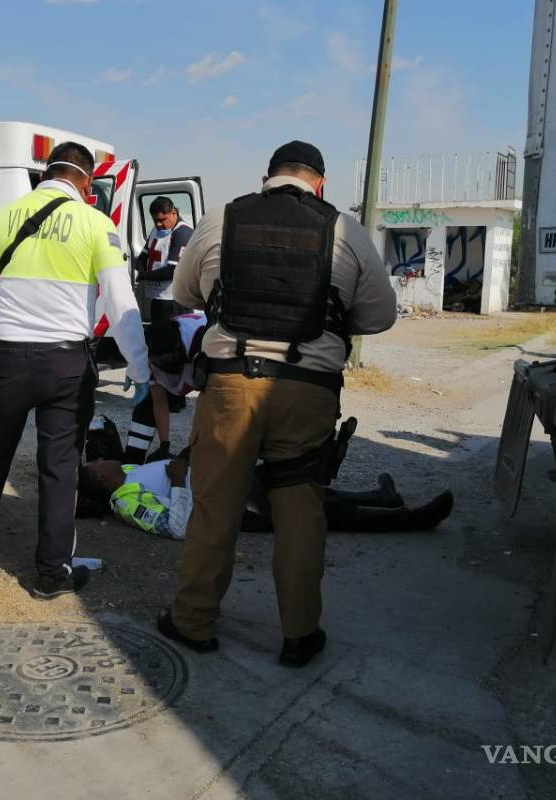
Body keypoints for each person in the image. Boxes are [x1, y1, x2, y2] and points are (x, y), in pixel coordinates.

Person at [159, 141, 398, 667]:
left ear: (266, 177)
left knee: (215, 508)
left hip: (230, 386)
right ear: (320, 182)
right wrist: (331, 327)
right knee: (299, 512)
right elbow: (381, 315)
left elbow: (184, 295)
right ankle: (299, 635)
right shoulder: (344, 227)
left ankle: (193, 622)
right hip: (308, 390)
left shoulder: (222, 217)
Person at [0, 142, 151, 600]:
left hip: (6, 354)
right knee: (60, 465)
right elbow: (121, 304)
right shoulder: (96, 223)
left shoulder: (1, 216)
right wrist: (140, 371)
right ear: (86, 180)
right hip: (65, 361)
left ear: (47, 173)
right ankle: (51, 572)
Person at [78, 456, 453, 539]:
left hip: (227, 481)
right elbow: (176, 527)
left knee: (297, 485)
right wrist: (180, 479)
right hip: (227, 507)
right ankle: (411, 519)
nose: (101, 456)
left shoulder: (128, 474)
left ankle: (380, 497)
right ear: (98, 475)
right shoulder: (125, 501)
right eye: (95, 460)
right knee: (313, 514)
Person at [124, 310, 206, 463]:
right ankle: (132, 461)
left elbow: (207, 404)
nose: (160, 366)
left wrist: (193, 445)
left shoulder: (201, 346)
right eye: (156, 363)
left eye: (164, 362)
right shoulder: (147, 357)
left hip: (210, 352)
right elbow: (159, 402)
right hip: (181, 354)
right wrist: (164, 444)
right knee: (145, 407)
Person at [136, 196, 195, 324]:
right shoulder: (156, 231)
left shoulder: (182, 233)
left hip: (174, 302)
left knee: (173, 341)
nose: (158, 224)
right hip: (157, 298)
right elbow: (143, 257)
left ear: (173, 213)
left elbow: (173, 271)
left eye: (162, 220)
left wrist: (141, 275)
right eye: (155, 220)